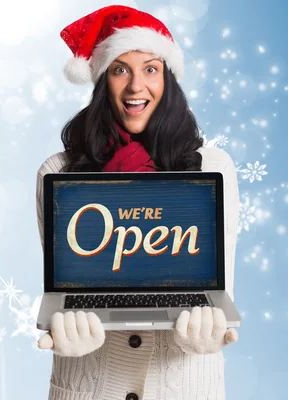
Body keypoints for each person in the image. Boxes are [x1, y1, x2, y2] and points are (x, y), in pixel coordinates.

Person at [34, 5, 240, 400]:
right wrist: (64, 328)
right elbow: (66, 281)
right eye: (119, 69)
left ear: (168, 79)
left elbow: (217, 284)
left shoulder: (213, 167)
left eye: (150, 68)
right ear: (101, 82)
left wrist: (208, 335)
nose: (135, 87)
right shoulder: (58, 171)